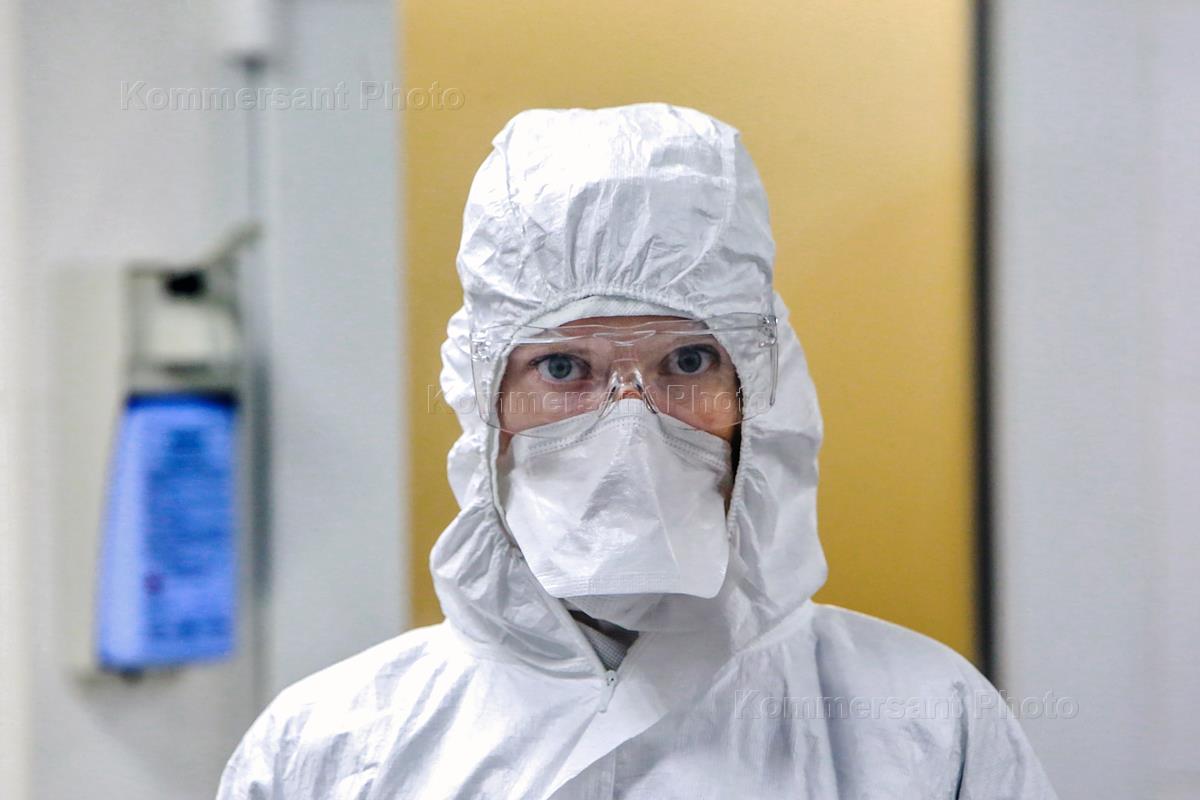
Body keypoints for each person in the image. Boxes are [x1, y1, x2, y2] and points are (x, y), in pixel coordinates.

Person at [217, 103, 1057, 798]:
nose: (631, 424)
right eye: (563, 368)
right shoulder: (331, 747)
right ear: (486, 405)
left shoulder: (923, 722)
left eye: (686, 362)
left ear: (762, 395)